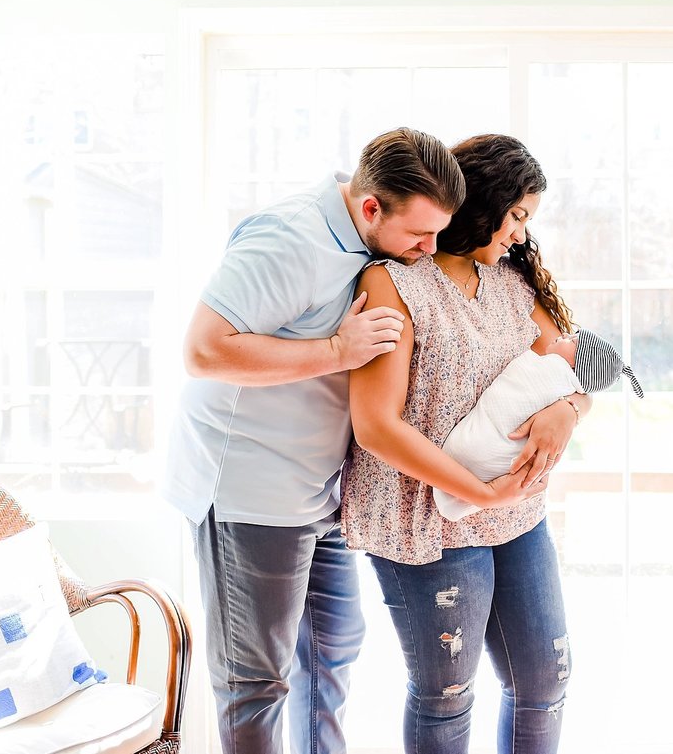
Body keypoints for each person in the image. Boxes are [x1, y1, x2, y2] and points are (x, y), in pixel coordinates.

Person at [161, 127, 466, 754]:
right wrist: (335, 350)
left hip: (319, 490)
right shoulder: (289, 239)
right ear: (372, 206)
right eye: (420, 234)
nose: (430, 249)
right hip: (252, 488)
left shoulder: (370, 241)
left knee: (333, 646)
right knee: (257, 679)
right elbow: (202, 350)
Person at [343, 133, 587, 754]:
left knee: (545, 678)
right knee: (446, 696)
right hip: (425, 522)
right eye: (518, 216)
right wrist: (477, 491)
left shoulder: (509, 284)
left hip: (517, 512)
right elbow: (375, 425)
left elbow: (577, 367)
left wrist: (568, 411)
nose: (522, 234)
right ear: (486, 204)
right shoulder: (393, 283)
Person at [435, 328, 644, 521]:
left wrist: (570, 408)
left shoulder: (555, 371)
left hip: (518, 511)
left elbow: (580, 398)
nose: (564, 335)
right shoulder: (564, 381)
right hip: (495, 499)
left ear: (576, 364)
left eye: (572, 340)